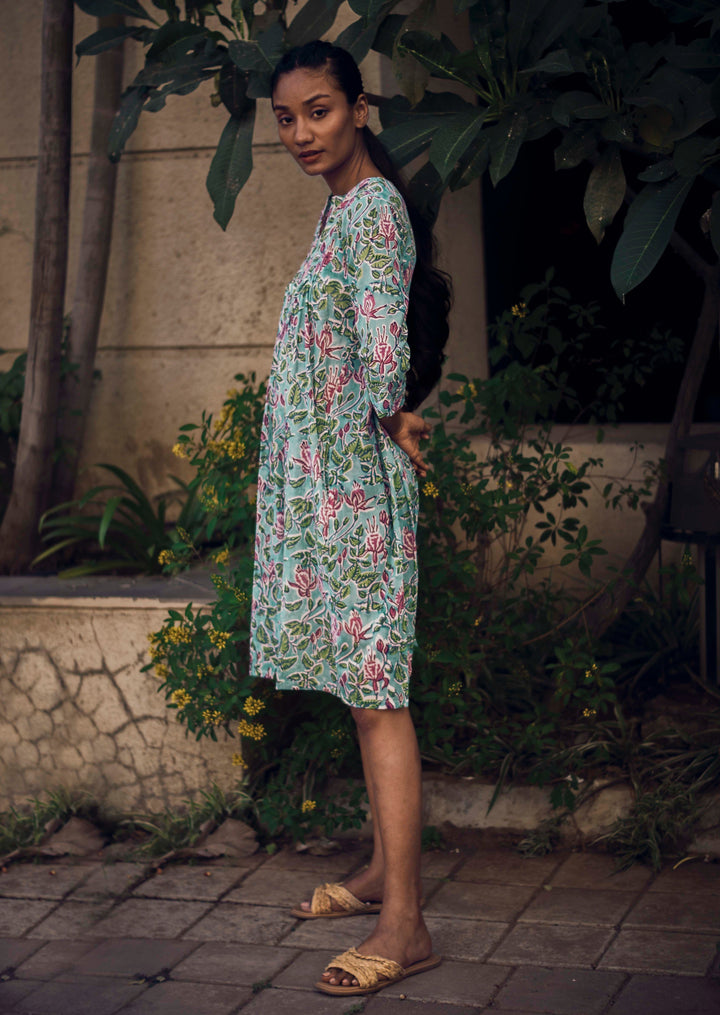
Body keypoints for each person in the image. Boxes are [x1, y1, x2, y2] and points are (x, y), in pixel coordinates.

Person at [249, 39, 451, 997]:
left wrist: (396, 413)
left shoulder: (371, 210)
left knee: (378, 697)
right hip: (330, 484)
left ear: (359, 109)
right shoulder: (345, 207)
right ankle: (379, 869)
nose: (301, 133)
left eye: (319, 111)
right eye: (286, 117)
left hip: (356, 489)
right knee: (359, 685)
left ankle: (405, 922)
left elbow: (382, 347)